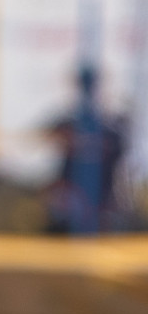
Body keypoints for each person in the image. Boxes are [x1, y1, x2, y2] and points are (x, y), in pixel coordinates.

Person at [44, 62, 128, 237]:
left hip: (103, 203)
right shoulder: (66, 123)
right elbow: (47, 136)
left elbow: (120, 156)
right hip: (70, 202)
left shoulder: (111, 126)